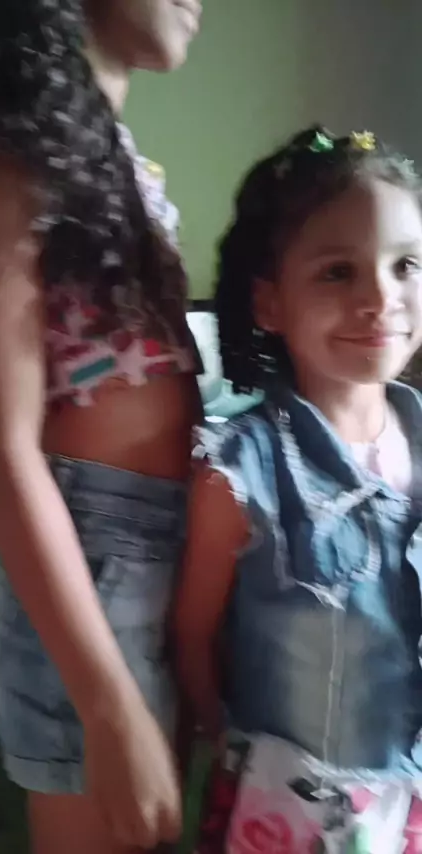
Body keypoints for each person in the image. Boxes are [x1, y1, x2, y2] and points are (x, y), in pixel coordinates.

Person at [0, 1, 203, 852]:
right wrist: (107, 705)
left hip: (155, 545)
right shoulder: (6, 151)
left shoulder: (106, 153)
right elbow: (0, 450)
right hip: (88, 559)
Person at [175, 126, 422, 852]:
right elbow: (192, 636)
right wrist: (227, 749)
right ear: (271, 303)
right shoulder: (240, 472)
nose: (381, 297)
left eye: (406, 265)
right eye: (338, 272)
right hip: (292, 808)